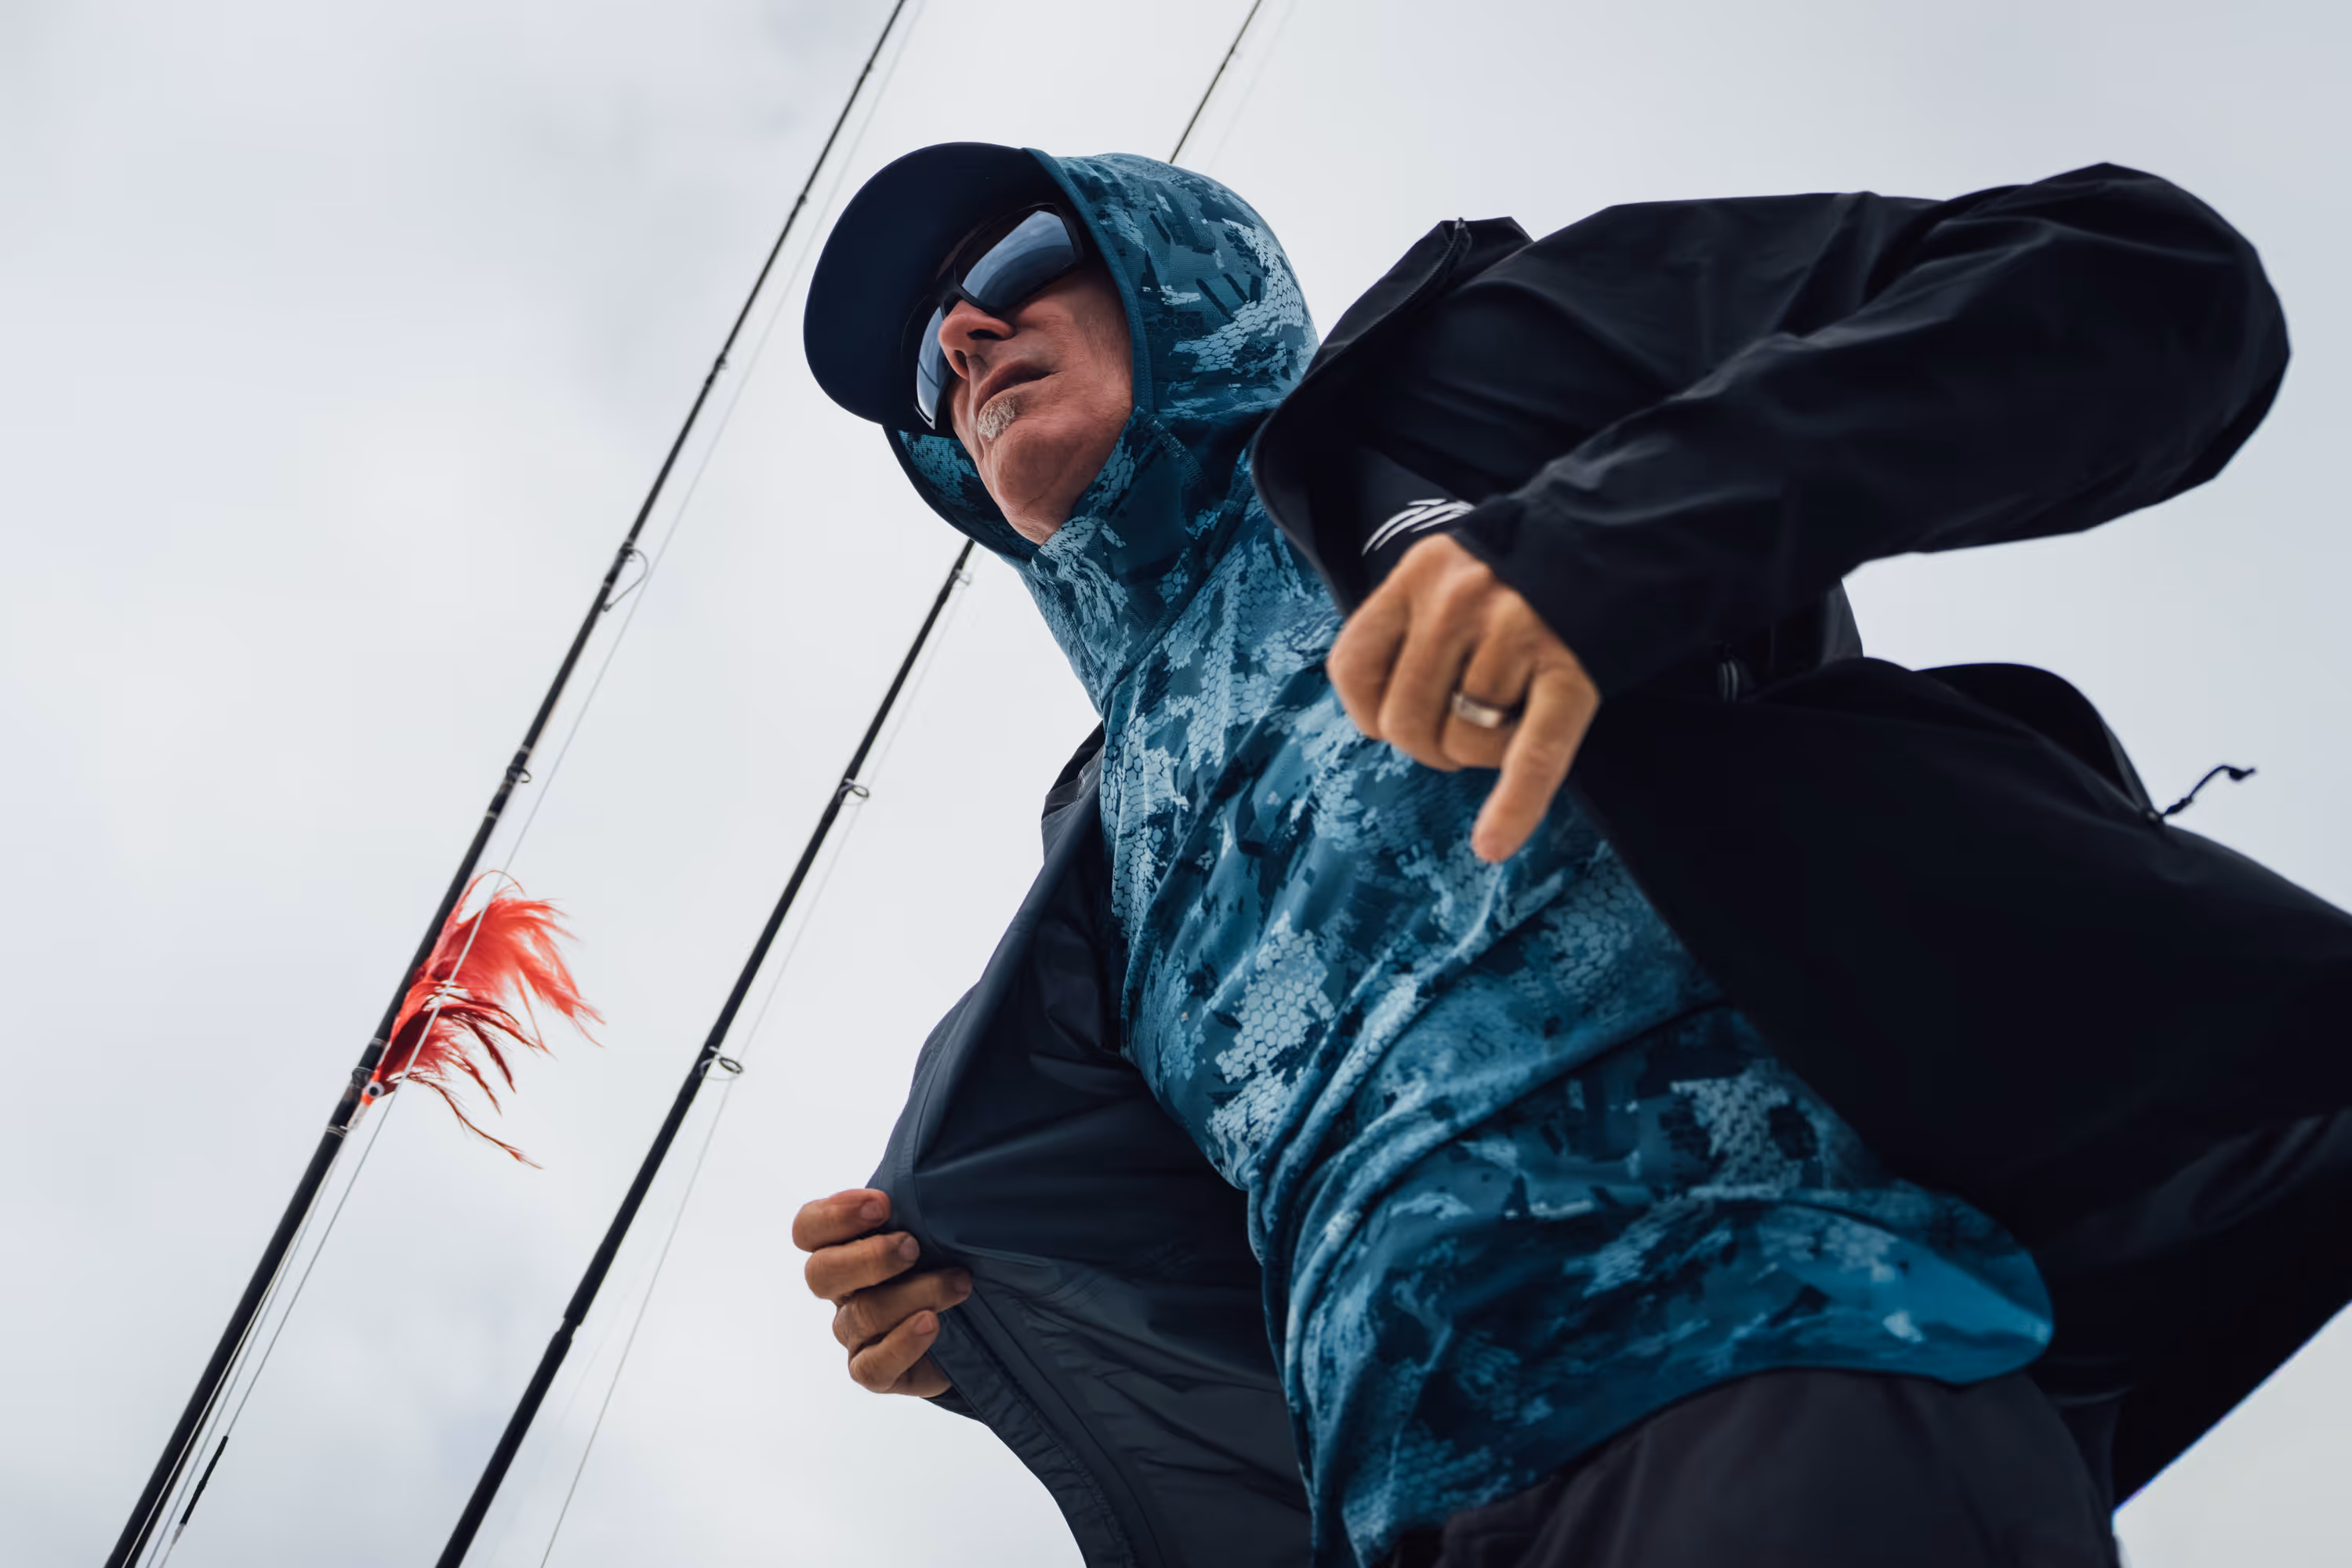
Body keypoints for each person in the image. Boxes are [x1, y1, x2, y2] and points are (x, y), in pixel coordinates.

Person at [789, 143, 2347, 1568]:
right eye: (926, 374)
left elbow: (2142, 285)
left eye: (1004, 272)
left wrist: (1610, 541)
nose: (962, 348)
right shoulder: (1103, 850)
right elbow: (1243, 1281)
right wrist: (1001, 1316)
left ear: (1163, 262)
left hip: (1786, 1367)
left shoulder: (1467, 391)